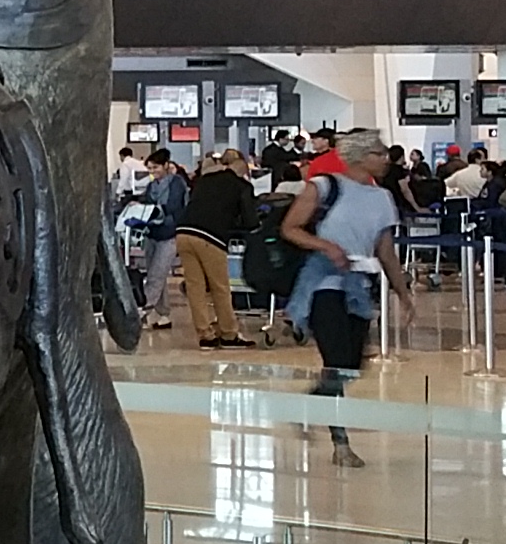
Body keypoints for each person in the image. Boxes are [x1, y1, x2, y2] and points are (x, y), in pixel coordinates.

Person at [281, 129, 413, 469]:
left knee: (352, 366)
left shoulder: (382, 198)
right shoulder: (323, 187)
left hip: (359, 287)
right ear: (359, 156)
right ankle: (341, 443)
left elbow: (385, 250)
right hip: (323, 283)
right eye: (379, 153)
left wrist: (403, 292)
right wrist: (327, 246)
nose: (386, 159)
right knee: (337, 362)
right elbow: (291, 227)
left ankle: (308, 408)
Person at [175, 150, 260, 349]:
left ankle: (205, 335)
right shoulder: (242, 186)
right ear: (242, 167)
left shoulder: (204, 180)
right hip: (210, 236)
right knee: (219, 287)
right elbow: (250, 221)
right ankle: (229, 334)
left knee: (195, 287)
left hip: (183, 232)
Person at [138, 147, 187, 328]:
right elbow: (147, 201)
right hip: (152, 234)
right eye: (150, 169)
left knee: (156, 276)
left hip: (169, 234)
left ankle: (142, 312)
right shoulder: (152, 185)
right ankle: (164, 314)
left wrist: (154, 210)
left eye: (155, 168)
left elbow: (174, 206)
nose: (152, 172)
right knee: (155, 275)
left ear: (166, 165)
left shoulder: (177, 184)